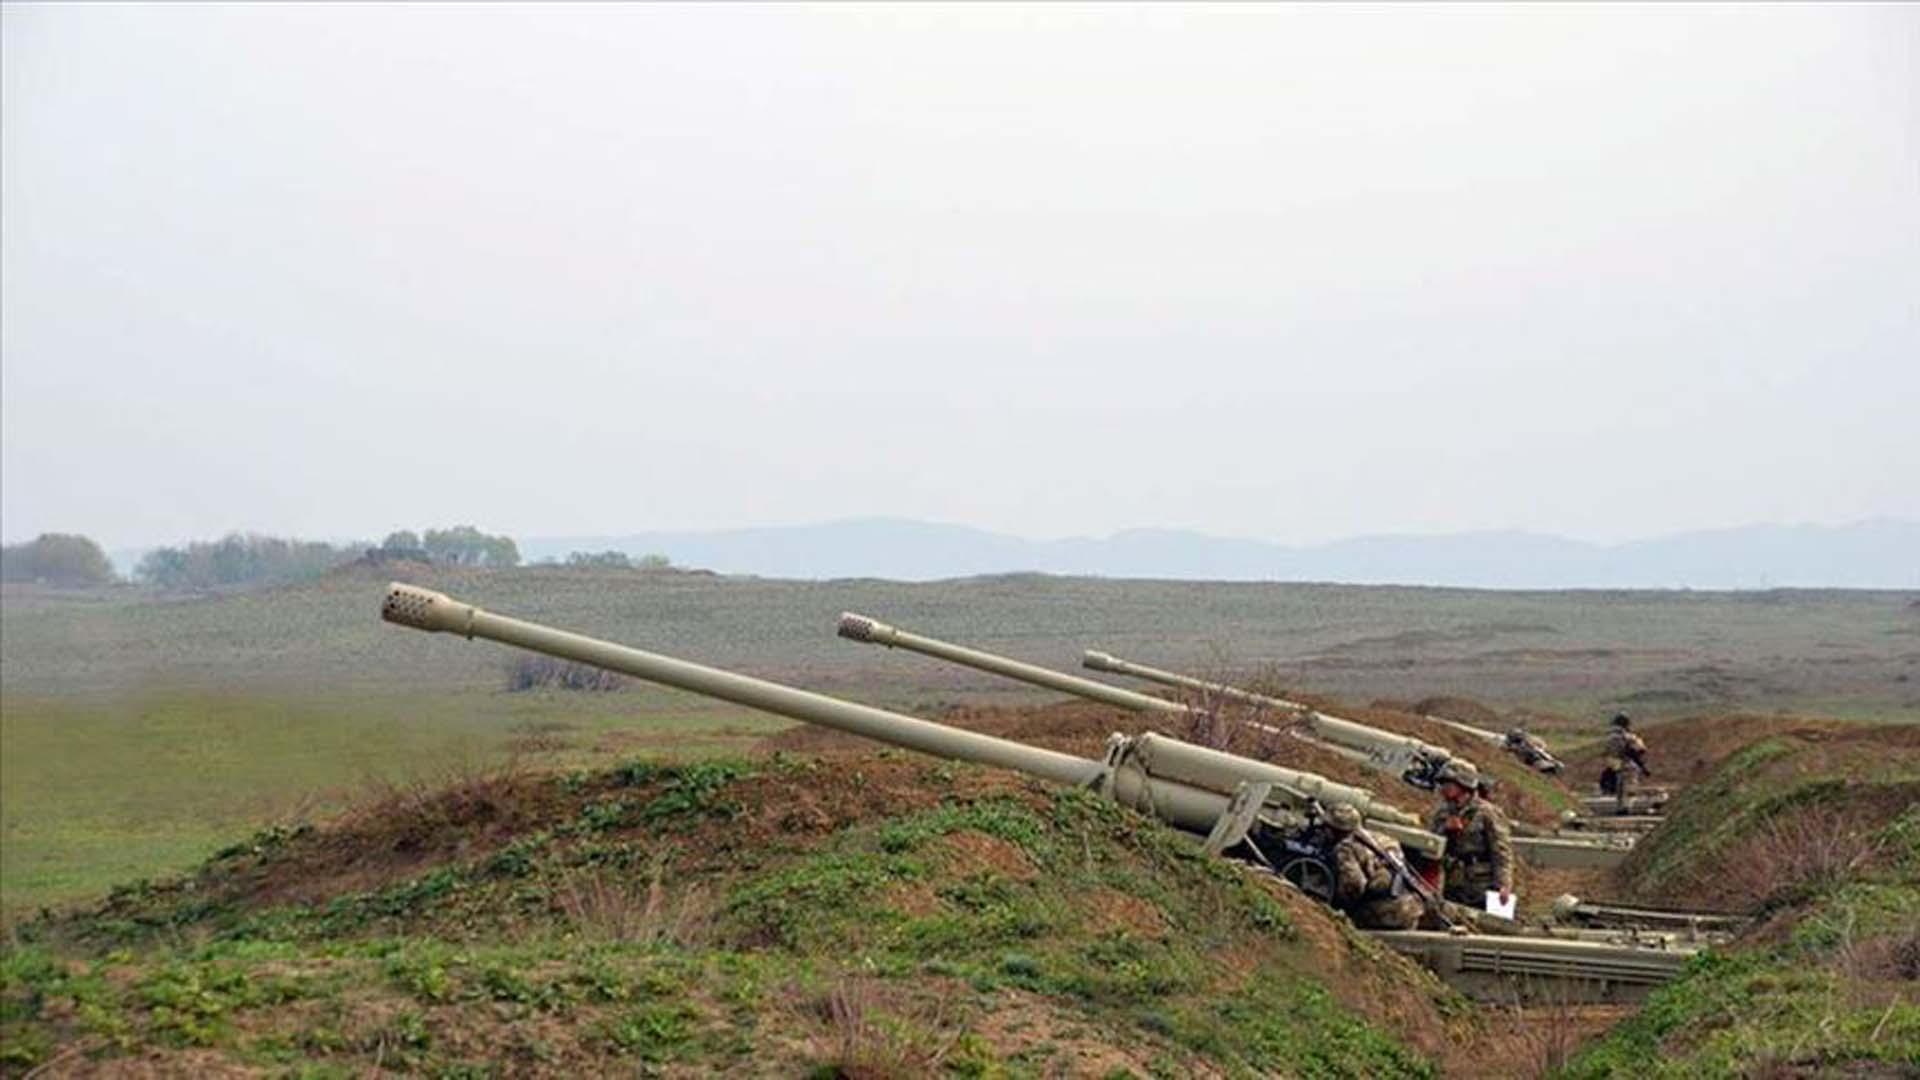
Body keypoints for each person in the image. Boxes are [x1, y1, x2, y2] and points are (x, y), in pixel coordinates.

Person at [1427, 760, 1514, 909]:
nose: (1444, 788)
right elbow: (1431, 846)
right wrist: (1445, 830)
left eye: (1449, 783)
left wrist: (1503, 884)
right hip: (1452, 883)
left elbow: (1501, 852)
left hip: (1482, 884)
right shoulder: (1442, 813)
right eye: (1443, 783)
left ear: (1464, 784)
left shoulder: (1487, 813)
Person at [1324, 803, 1422, 930]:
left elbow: (1354, 887)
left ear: (1336, 830)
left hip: (1384, 913)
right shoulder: (1380, 838)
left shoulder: (1346, 849)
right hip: (1411, 906)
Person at [1599, 712, 1650, 814]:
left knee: (1620, 788)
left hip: (1616, 765)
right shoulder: (1630, 737)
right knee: (1630, 788)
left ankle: (1621, 807)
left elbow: (1607, 752)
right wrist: (1643, 767)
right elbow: (1639, 751)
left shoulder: (1610, 738)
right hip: (1629, 764)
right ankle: (1626, 808)